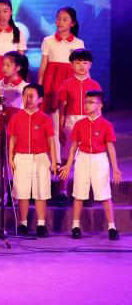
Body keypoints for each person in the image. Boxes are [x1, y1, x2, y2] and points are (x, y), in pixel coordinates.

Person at [59, 90, 122, 240]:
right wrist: (68, 165)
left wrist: (115, 168)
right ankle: (75, 226)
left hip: (99, 159)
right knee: (79, 194)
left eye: (90, 102)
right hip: (83, 158)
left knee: (105, 195)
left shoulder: (106, 125)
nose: (87, 105)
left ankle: (112, 227)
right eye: (85, 102)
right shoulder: (79, 124)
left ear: (100, 105)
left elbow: (110, 148)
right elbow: (74, 146)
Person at [7, 83, 56, 237]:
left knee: (41, 191)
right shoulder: (16, 117)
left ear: (40, 99)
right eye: (25, 95)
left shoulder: (45, 119)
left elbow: (50, 141)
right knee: (22, 191)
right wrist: (10, 157)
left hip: (40, 157)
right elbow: (12, 139)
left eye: (31, 96)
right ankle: (23, 223)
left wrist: (54, 161)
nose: (27, 99)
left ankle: (41, 224)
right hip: (21, 157)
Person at [38, 7, 83, 165]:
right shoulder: (48, 40)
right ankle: (56, 161)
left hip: (71, 85)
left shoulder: (78, 43)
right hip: (52, 86)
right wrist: (40, 87)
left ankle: (70, 158)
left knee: (70, 124)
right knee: (56, 125)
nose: (60, 22)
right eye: (58, 18)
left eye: (65, 19)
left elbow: (82, 68)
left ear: (72, 23)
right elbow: (43, 66)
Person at [57, 48, 102, 204]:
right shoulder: (66, 84)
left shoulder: (95, 85)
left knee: (88, 158)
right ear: (71, 65)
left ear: (90, 65)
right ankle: (62, 191)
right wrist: (61, 129)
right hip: (72, 122)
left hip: (91, 122)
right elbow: (62, 109)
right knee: (67, 158)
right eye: (78, 63)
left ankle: (85, 193)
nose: (81, 66)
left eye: (85, 63)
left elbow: (99, 109)